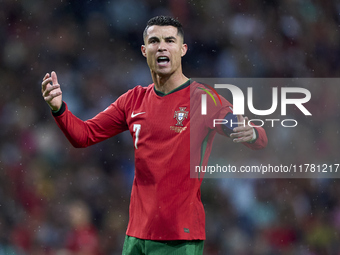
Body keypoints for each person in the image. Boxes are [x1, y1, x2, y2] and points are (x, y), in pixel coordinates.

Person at [41, 15, 267, 255]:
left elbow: (252, 134)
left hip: (178, 237)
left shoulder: (202, 99)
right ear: (143, 50)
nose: (161, 46)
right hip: (136, 236)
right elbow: (83, 136)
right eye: (154, 41)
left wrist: (252, 133)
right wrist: (59, 108)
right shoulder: (133, 99)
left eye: (170, 40)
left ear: (183, 49)